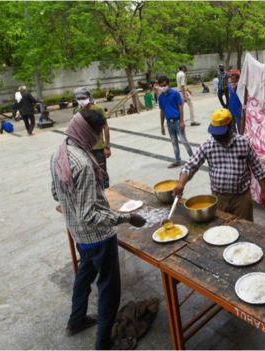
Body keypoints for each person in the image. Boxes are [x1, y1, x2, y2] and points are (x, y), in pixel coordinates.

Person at [50, 109, 147, 350]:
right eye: (98, 133)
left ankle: (77, 320)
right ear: (87, 131)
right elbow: (89, 214)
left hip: (78, 233)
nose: (99, 139)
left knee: (84, 276)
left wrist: (81, 200)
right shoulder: (82, 163)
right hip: (97, 238)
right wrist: (126, 218)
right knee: (109, 288)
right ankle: (104, 342)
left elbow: (56, 193)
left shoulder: (61, 151)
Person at [173, 108, 265, 221]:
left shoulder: (244, 143)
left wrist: (264, 192)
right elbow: (190, 166)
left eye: (220, 133)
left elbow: (258, 169)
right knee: (221, 232)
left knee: (245, 230)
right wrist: (181, 184)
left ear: (230, 126)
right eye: (215, 133)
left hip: (241, 199)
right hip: (219, 198)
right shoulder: (207, 146)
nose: (217, 137)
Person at [73, 87, 111, 189]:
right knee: (89, 175)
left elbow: (106, 127)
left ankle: (107, 194)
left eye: (83, 97)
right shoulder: (77, 111)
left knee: (102, 173)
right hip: (84, 149)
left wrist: (107, 146)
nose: (81, 100)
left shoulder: (98, 109)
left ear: (89, 97)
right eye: (79, 98)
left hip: (98, 148)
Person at [157, 75, 194, 168]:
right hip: (169, 123)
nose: (162, 87)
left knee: (184, 141)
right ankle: (178, 160)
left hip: (177, 121)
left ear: (167, 83)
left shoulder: (175, 93)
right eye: (160, 86)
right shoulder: (161, 97)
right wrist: (162, 125)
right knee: (174, 142)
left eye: (163, 85)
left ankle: (193, 159)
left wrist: (182, 121)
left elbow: (180, 107)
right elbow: (162, 111)